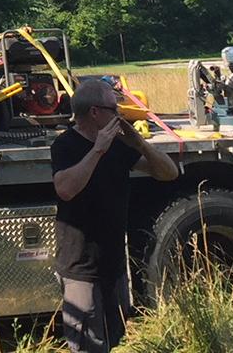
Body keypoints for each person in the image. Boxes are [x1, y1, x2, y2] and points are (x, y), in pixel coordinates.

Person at [51, 77, 178, 353]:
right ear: (95, 112)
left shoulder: (119, 147)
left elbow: (169, 173)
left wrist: (140, 143)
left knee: (113, 338)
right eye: (114, 109)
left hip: (113, 265)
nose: (120, 115)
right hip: (81, 268)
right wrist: (98, 150)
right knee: (88, 345)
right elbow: (65, 189)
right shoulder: (65, 145)